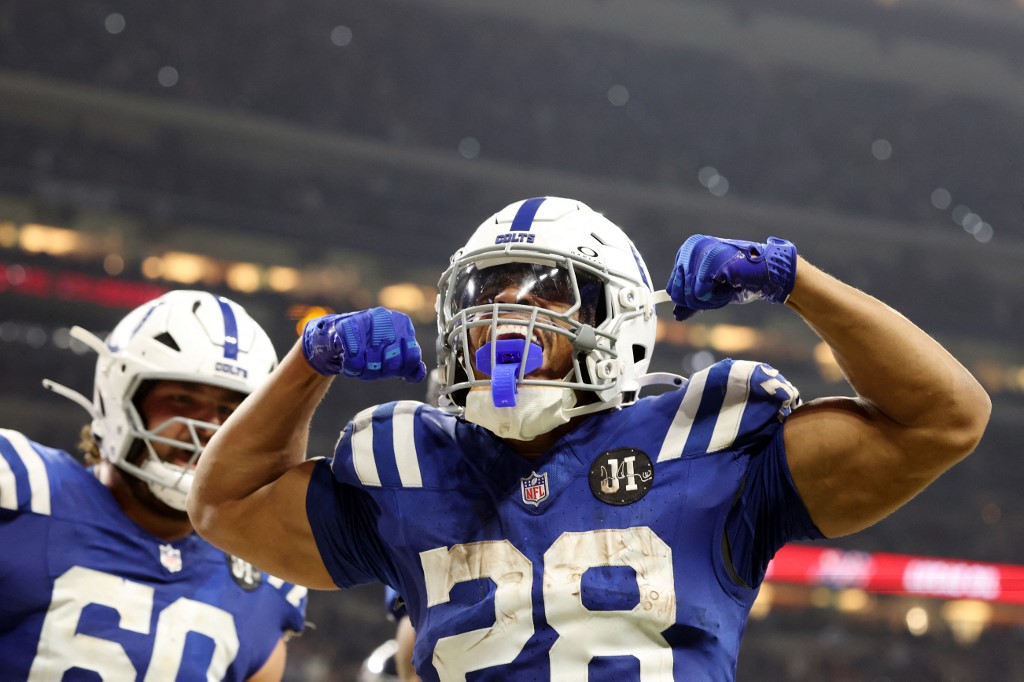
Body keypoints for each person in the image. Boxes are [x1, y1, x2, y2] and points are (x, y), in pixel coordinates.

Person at [189, 197, 990, 681]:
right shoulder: (411, 461)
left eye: (542, 293)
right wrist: (309, 361)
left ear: (616, 320)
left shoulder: (706, 441)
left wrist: (794, 280)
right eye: (488, 293)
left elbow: (947, 416)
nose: (506, 313)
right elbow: (222, 506)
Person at [0, 290, 308, 680]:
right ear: (119, 399)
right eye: (181, 398)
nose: (208, 429)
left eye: (231, 411)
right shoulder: (19, 490)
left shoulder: (263, 578)